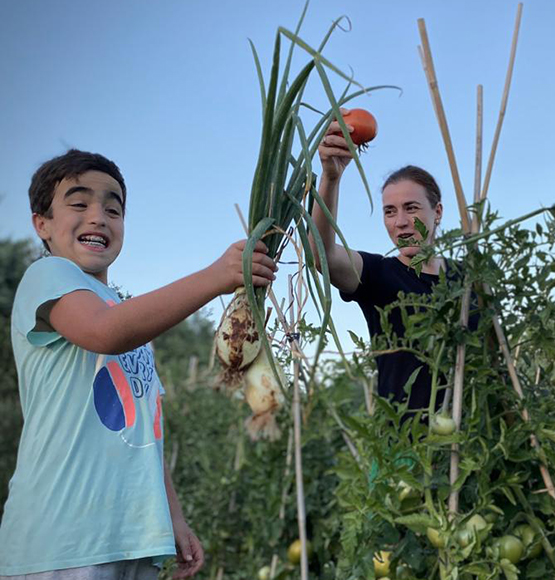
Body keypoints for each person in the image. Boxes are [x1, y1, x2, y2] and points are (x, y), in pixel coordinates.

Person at [0, 150, 277, 579]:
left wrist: (174, 519)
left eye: (113, 209)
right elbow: (105, 332)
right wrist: (217, 277)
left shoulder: (125, 317)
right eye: (79, 203)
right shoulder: (48, 275)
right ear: (42, 224)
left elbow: (146, 430)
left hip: (131, 537)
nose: (98, 216)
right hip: (64, 538)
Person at [310, 114, 454, 412]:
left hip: (472, 443)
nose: (400, 222)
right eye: (389, 212)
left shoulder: (467, 278)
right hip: (403, 447)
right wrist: (331, 178)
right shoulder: (379, 274)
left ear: (437, 212)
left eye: (411, 208)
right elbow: (320, 255)